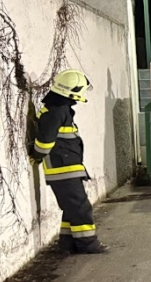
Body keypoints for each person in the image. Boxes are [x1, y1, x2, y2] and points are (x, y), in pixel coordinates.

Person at [30, 69, 109, 253]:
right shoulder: (56, 112)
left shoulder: (59, 110)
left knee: (71, 208)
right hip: (63, 170)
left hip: (66, 169)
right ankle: (88, 244)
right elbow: (45, 141)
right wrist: (37, 155)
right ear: (71, 91)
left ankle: (68, 243)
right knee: (81, 208)